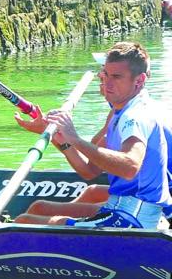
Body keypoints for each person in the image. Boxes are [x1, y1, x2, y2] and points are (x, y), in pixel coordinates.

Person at [13, 42, 171, 228]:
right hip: (124, 207)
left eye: (116, 77)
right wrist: (60, 138)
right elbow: (90, 170)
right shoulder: (122, 112)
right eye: (104, 74)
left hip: (135, 215)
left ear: (139, 81)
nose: (104, 81)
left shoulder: (135, 115)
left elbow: (130, 167)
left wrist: (75, 138)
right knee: (38, 210)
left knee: (24, 222)